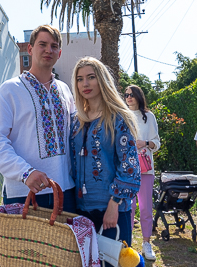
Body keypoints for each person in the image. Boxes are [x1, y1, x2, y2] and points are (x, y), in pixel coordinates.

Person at [0, 25, 76, 212]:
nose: (48, 50)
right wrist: (25, 173)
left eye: (54, 46)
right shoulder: (9, 90)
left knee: (64, 243)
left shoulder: (65, 90)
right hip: (24, 191)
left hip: (65, 190)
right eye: (42, 44)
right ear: (29, 49)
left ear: (59, 53)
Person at [69, 56, 140, 263]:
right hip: (81, 211)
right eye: (80, 79)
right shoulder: (76, 120)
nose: (85, 84)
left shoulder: (118, 117)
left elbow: (129, 167)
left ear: (102, 80)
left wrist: (114, 203)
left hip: (112, 210)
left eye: (91, 77)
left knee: (115, 262)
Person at [125, 85, 160, 261]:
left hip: (146, 169)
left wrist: (144, 143)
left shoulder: (149, 117)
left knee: (145, 207)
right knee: (128, 208)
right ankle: (128, 246)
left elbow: (157, 143)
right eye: (126, 95)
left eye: (132, 94)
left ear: (139, 96)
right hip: (126, 169)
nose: (129, 97)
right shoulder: (121, 115)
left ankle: (146, 242)